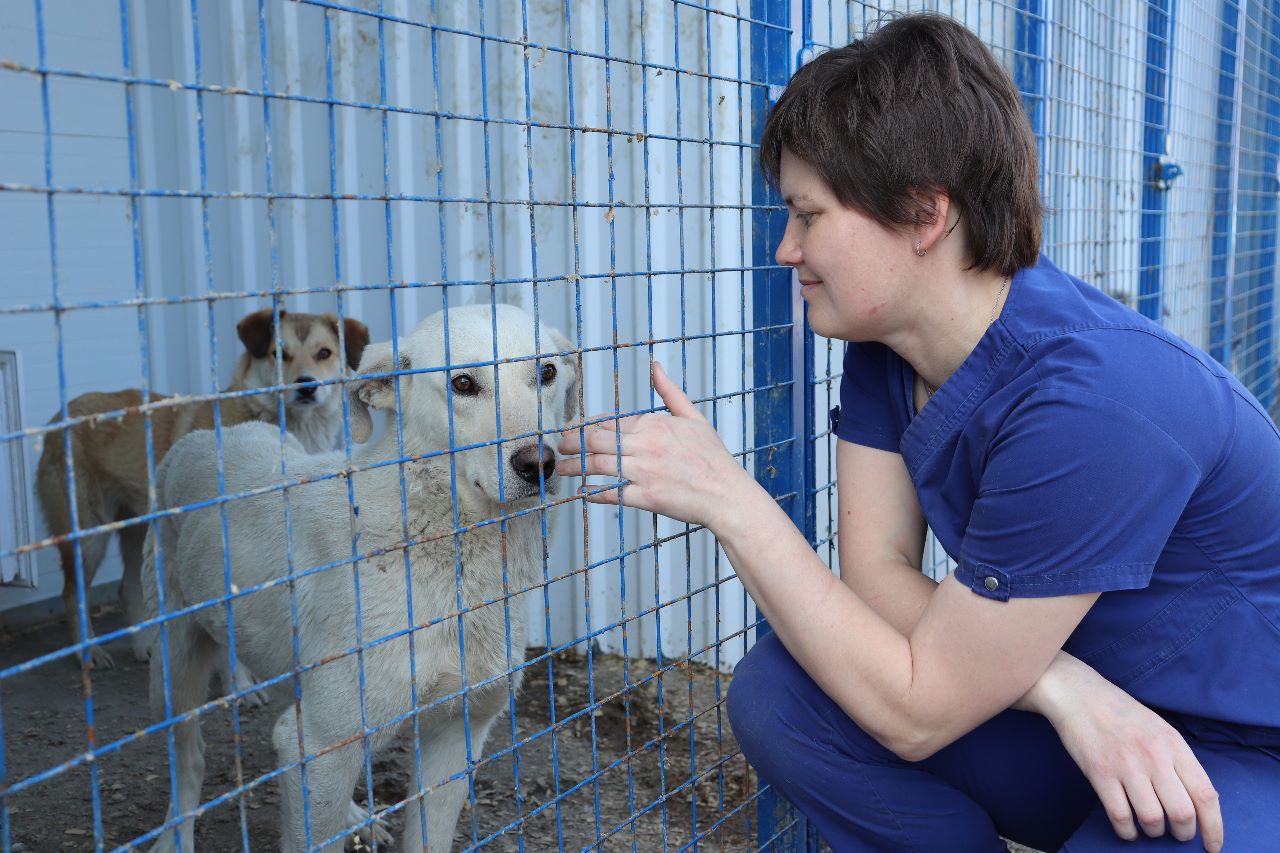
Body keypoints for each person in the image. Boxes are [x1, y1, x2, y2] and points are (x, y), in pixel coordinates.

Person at [555, 12, 1280, 852]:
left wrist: (732, 501)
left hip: (1244, 746)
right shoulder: (888, 347)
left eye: (809, 214)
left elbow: (918, 709)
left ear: (924, 215)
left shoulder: (1096, 401)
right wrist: (1065, 687)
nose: (786, 249)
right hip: (1093, 716)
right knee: (782, 694)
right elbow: (875, 575)